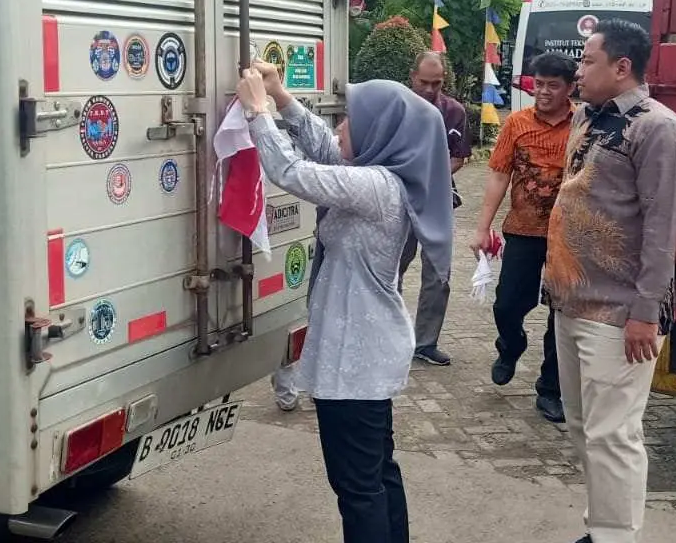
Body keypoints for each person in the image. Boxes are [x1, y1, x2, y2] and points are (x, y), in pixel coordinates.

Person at [237, 60, 453, 543]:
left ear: (379, 133)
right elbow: (325, 151)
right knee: (377, 473)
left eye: (350, 120)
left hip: (356, 362)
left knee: (357, 488)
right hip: (366, 355)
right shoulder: (381, 177)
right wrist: (281, 97)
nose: (339, 127)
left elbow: (294, 172)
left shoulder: (377, 187)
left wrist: (258, 113)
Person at [544, 19, 676, 543]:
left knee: (613, 434)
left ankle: (614, 537)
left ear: (622, 67)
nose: (578, 72)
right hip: (571, 302)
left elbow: (662, 228)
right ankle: (603, 527)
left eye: (588, 61)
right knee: (584, 428)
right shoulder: (587, 116)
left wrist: (645, 314)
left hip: (621, 313)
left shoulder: (659, 129)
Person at [474, 52, 577, 424]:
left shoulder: (583, 123)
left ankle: (551, 389)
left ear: (570, 88)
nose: (544, 92)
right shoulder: (517, 123)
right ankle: (511, 345)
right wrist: (482, 227)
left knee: (561, 315)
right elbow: (499, 174)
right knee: (506, 305)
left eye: (553, 86)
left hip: (567, 237)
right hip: (522, 230)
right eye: (539, 84)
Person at [398, 51, 470, 366]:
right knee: (391, 268)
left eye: (436, 83)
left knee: (438, 272)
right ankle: (389, 334)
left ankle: (426, 343)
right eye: (424, 82)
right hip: (400, 199)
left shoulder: (454, 112)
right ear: (412, 76)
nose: (429, 89)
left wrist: (432, 175)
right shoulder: (397, 107)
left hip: (438, 201)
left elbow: (459, 156)